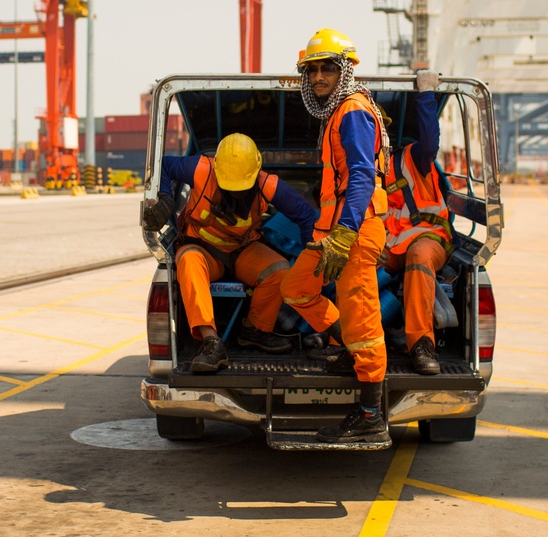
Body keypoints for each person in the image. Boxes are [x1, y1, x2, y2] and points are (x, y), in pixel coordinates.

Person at [279, 28, 392, 446]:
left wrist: (344, 233)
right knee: (294, 288)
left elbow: (362, 175)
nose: (320, 77)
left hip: (354, 234)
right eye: (314, 70)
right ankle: (347, 346)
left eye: (328, 68)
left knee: (364, 323)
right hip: (333, 234)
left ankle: (369, 415)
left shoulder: (353, 112)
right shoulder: (340, 112)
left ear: (344, 71)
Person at [142, 133, 318, 373]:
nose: (236, 193)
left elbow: (307, 216)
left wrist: (312, 258)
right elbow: (161, 165)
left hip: (243, 250)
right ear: (217, 168)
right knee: (188, 260)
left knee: (280, 271)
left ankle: (255, 330)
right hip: (203, 249)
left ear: (256, 172)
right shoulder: (200, 169)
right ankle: (210, 341)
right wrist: (163, 198)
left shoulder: (268, 185)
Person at [380, 69, 453, 376]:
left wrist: (425, 95)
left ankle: (421, 345)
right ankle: (349, 340)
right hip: (388, 246)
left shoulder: (413, 158)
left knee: (419, 256)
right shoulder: (359, 168)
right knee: (354, 261)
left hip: (427, 237)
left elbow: (430, 140)